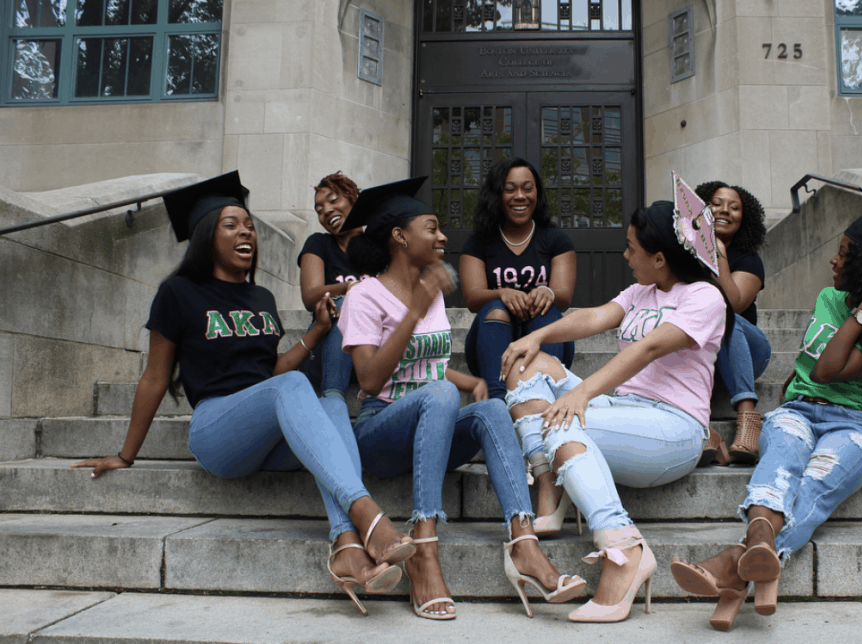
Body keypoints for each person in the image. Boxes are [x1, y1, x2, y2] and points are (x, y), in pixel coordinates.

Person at [70, 172, 416, 616]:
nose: (246, 232)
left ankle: (346, 546)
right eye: (231, 224)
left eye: (249, 225)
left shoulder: (262, 297)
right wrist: (126, 454)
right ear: (206, 236)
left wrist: (316, 332)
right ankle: (367, 515)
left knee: (331, 404)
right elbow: (155, 377)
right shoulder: (178, 293)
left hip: (265, 430)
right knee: (298, 388)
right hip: (216, 429)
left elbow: (269, 373)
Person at [670, 203, 862, 632]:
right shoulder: (828, 298)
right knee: (781, 458)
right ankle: (753, 558)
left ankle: (735, 561)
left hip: (855, 426)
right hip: (799, 411)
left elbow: (827, 370)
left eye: (845, 254)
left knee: (814, 485)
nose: (834, 260)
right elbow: (812, 371)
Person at [336, 177, 585, 621]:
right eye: (431, 228)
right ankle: (423, 548)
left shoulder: (429, 293)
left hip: (433, 426)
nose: (443, 237)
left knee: (491, 408)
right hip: (381, 430)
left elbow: (427, 368)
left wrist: (470, 383)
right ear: (400, 236)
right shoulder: (364, 296)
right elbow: (370, 380)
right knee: (441, 393)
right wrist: (415, 309)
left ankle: (524, 544)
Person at [500, 200, 735, 623]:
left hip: (673, 427)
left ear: (659, 258)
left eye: (631, 248)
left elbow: (649, 348)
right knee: (524, 365)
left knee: (562, 422)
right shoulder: (642, 291)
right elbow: (595, 317)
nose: (625, 255)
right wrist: (536, 337)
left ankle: (625, 548)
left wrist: (582, 393)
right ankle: (551, 484)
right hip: (623, 409)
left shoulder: (705, 297)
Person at [460, 157, 576, 404]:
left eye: (528, 188)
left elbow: (564, 296)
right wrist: (502, 293)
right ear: (497, 195)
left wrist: (549, 292)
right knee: (495, 308)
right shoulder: (479, 242)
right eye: (510, 189)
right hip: (492, 341)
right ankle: (497, 402)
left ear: (537, 193)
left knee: (546, 310)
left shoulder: (556, 240)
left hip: (543, 337)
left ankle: (545, 398)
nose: (520, 196)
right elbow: (472, 298)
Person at [694, 181, 770, 465]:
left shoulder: (748, 260)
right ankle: (702, 427)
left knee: (722, 314)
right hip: (698, 356)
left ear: (744, 218)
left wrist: (717, 250)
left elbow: (733, 304)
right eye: (716, 204)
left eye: (734, 207)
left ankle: (748, 416)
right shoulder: (683, 256)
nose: (725, 210)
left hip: (747, 353)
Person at [297, 171, 363, 399]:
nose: (326, 210)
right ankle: (332, 398)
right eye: (319, 210)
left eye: (333, 200)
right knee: (345, 302)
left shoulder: (378, 248)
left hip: (371, 348)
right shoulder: (318, 243)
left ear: (353, 199)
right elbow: (310, 296)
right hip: (327, 347)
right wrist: (347, 288)